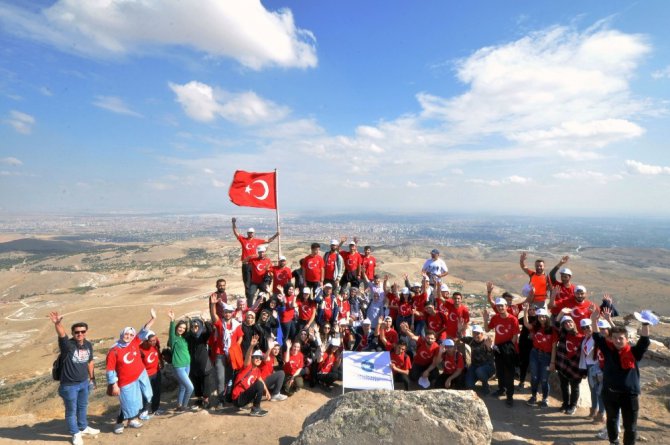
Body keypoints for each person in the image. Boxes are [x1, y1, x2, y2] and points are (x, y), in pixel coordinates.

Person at [591, 309, 650, 445]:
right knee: (611, 420)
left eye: (621, 338)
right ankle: (613, 441)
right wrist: (594, 320)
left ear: (627, 339)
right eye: (615, 338)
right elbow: (596, 336)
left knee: (630, 426)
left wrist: (645, 324)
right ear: (611, 339)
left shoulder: (634, 353)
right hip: (610, 394)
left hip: (629, 396)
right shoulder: (608, 349)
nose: (618, 340)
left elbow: (644, 341)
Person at [49, 311, 98, 445]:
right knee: (71, 411)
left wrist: (92, 378)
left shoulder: (88, 345)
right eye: (77, 332)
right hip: (69, 385)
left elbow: (90, 362)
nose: (80, 334)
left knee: (82, 407)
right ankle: (75, 434)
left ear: (86, 332)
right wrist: (58, 323)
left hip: (83, 383)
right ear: (73, 333)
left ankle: (83, 427)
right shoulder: (68, 346)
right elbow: (62, 334)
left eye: (82, 331)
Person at [107, 310, 156, 434]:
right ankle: (119, 422)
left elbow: (144, 330)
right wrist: (114, 384)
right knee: (127, 403)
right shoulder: (114, 350)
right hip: (126, 381)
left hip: (140, 374)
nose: (128, 336)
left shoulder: (134, 342)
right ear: (122, 334)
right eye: (126, 334)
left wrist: (153, 319)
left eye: (130, 334)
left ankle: (133, 419)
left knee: (144, 397)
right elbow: (110, 370)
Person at [483, 297, 520, 407]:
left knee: (509, 373)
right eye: (498, 306)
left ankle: (510, 396)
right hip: (498, 349)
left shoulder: (513, 319)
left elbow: (514, 338)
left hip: (509, 350)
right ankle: (501, 390)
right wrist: (485, 319)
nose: (500, 308)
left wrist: (506, 348)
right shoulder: (495, 318)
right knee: (500, 371)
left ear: (506, 307)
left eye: (501, 306)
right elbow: (487, 329)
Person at [232, 218, 278, 294]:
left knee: (257, 280)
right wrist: (233, 223)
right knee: (247, 281)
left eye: (252, 233)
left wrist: (275, 235)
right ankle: (249, 297)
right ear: (247, 233)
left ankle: (260, 295)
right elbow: (236, 233)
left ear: (254, 233)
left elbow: (268, 241)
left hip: (254, 264)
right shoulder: (243, 240)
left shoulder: (256, 241)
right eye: (249, 232)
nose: (251, 234)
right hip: (246, 264)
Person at [209, 295, 239, 408]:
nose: (227, 314)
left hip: (232, 355)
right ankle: (220, 400)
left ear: (232, 313)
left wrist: (235, 347)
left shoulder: (236, 325)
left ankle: (228, 396)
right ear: (223, 313)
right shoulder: (220, 323)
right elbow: (213, 316)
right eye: (225, 312)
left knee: (229, 377)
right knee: (220, 377)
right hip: (220, 354)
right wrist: (213, 305)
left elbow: (240, 337)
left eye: (229, 312)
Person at [522, 305, 555, 408]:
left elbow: (554, 347)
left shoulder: (552, 329)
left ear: (547, 317)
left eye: (543, 316)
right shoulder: (535, 327)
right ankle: (534, 396)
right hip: (535, 354)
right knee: (534, 377)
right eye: (539, 316)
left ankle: (545, 398)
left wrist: (553, 362)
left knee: (544, 379)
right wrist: (525, 311)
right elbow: (526, 324)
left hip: (546, 356)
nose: (541, 318)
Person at [551, 314, 584, 415]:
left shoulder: (581, 337)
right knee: (564, 385)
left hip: (575, 367)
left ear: (574, 323)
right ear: (563, 326)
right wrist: (561, 312)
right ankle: (565, 403)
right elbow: (555, 324)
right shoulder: (562, 334)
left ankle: (573, 405)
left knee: (575, 387)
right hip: (563, 364)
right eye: (565, 323)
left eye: (570, 322)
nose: (568, 324)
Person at [231, 335, 271, 417]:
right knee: (259, 385)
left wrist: (266, 391)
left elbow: (261, 380)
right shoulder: (247, 366)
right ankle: (255, 409)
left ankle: (254, 407)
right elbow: (248, 357)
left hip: (244, 397)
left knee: (260, 383)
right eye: (256, 357)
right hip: (238, 398)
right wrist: (252, 346)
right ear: (252, 358)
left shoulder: (257, 370)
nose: (258, 359)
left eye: (260, 358)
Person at [167, 310, 194, 411]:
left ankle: (179, 405)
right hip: (179, 367)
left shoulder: (184, 338)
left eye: (183, 328)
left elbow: (191, 331)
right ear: (177, 327)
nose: (181, 329)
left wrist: (190, 321)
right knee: (190, 388)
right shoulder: (174, 338)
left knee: (183, 386)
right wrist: (172, 320)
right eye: (180, 327)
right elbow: (171, 332)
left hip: (187, 365)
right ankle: (184, 406)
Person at [185, 318, 213, 408]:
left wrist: (206, 322)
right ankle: (199, 399)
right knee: (196, 381)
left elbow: (210, 331)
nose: (194, 328)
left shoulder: (203, 335)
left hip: (204, 363)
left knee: (206, 381)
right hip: (193, 364)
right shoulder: (189, 336)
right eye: (192, 326)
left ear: (200, 326)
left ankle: (206, 399)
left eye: (196, 326)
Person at [459, 324, 495, 394]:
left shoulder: (487, 342)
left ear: (482, 334)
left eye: (478, 333)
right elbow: (461, 338)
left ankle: (485, 384)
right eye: (474, 333)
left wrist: (488, 348)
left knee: (479, 371)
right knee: (469, 385)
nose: (476, 335)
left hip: (487, 367)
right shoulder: (471, 340)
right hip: (474, 366)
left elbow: (491, 357)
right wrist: (460, 330)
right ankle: (476, 379)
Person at [138, 330, 164, 416]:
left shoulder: (155, 345)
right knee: (146, 393)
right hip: (146, 375)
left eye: (154, 340)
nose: (153, 342)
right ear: (145, 341)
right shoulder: (140, 349)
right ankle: (144, 410)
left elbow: (158, 353)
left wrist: (162, 362)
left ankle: (155, 409)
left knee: (157, 391)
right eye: (151, 341)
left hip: (156, 372)